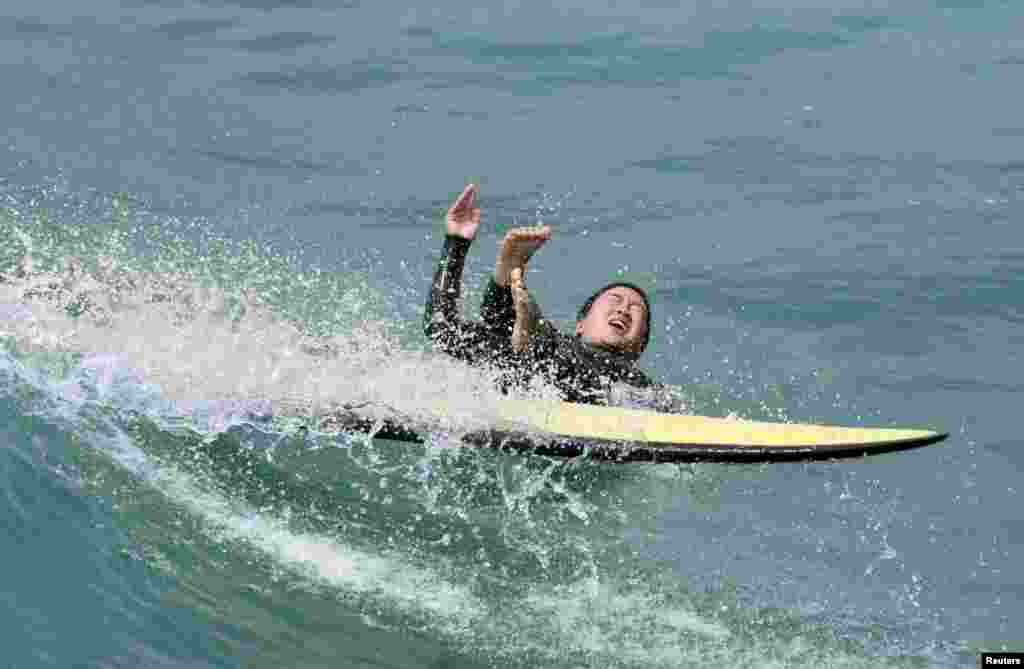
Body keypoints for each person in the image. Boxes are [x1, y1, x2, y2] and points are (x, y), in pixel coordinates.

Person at [424, 183, 668, 408]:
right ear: (580, 324)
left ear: (639, 346)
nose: (623, 309)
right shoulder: (558, 347)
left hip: (566, 376)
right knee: (479, 337)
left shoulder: (641, 384)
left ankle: (523, 312)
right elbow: (441, 328)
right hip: (534, 368)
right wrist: (456, 242)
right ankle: (509, 284)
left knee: (540, 354)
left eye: (636, 309)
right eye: (615, 300)